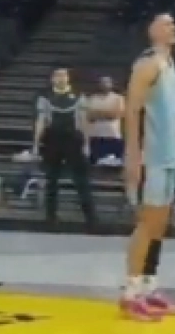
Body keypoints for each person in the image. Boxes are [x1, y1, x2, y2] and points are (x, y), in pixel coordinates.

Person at [121, 13, 175, 321]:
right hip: (151, 158)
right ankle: (130, 294)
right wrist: (133, 157)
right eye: (167, 24)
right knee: (147, 224)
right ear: (152, 30)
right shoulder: (147, 64)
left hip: (168, 157)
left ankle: (149, 287)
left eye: (174, 23)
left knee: (159, 225)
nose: (174, 27)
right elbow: (131, 112)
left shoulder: (169, 66)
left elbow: (173, 119)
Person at [33, 67, 97, 230]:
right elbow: (41, 121)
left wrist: (87, 143)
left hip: (73, 140)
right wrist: (36, 144)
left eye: (63, 75)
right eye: (57, 75)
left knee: (81, 180)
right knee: (51, 180)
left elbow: (83, 121)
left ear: (68, 78)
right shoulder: (45, 97)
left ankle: (91, 219)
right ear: (52, 79)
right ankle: (51, 218)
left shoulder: (79, 96)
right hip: (52, 140)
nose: (60, 78)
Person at [85, 75, 125, 165]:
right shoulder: (92, 98)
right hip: (96, 137)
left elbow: (115, 115)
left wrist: (98, 113)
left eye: (107, 82)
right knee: (95, 165)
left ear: (112, 84)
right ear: (99, 85)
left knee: (116, 165)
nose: (104, 84)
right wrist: (107, 112)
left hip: (113, 137)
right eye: (102, 82)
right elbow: (90, 117)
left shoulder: (118, 98)